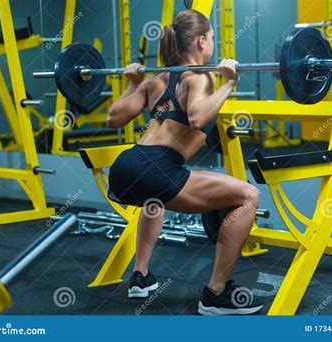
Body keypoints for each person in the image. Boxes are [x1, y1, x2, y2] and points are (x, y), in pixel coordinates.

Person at [107, 9, 262, 315]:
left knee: (154, 201)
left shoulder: (155, 80)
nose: (214, 44)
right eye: (213, 39)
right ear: (202, 41)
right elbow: (197, 116)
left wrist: (131, 84)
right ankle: (217, 293)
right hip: (158, 167)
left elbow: (115, 118)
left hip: (126, 167)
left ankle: (141, 276)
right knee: (248, 196)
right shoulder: (200, 77)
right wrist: (229, 83)